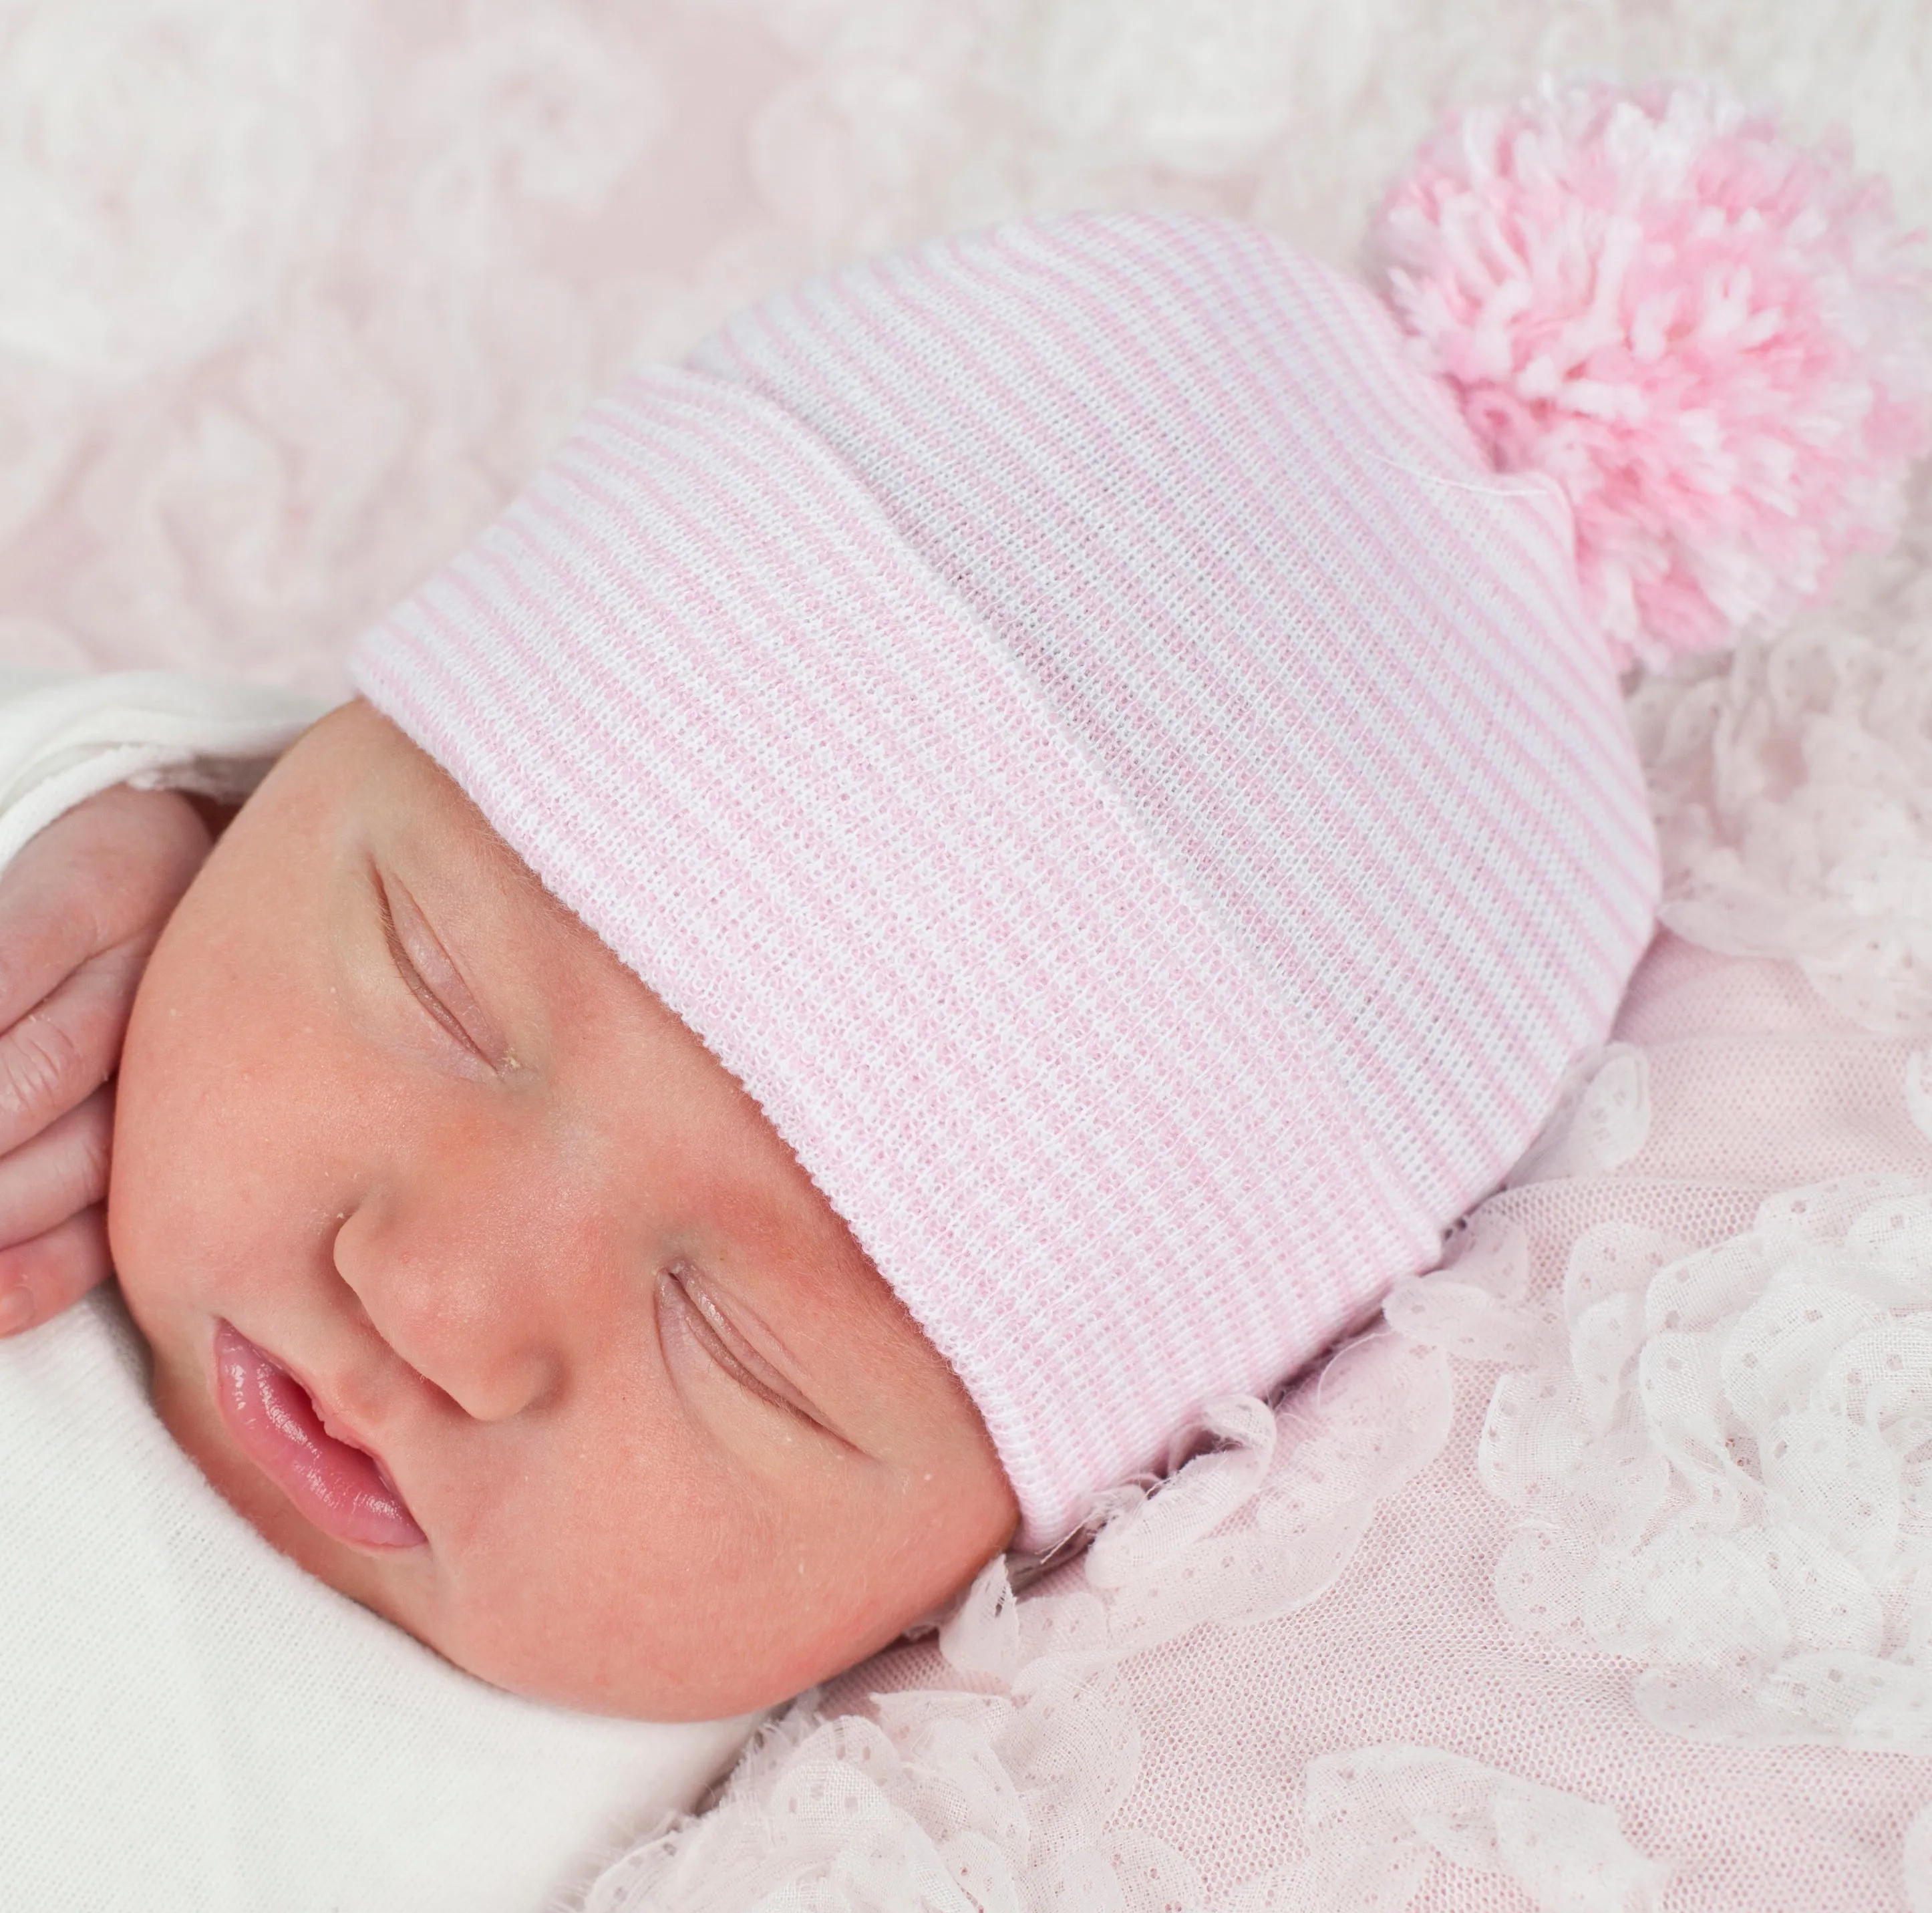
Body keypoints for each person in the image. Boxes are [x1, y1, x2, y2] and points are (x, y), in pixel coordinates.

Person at [2, 78, 1923, 1757]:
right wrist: (119, 791)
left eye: (737, 1347)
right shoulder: (94, 975)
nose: (435, 1302)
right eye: (427, 974)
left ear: (1008, 1557)